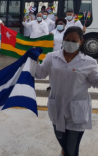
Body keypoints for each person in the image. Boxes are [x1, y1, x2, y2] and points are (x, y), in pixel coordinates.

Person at [35, 26, 98, 156]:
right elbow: (39, 74)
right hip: (57, 108)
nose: (70, 43)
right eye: (67, 39)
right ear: (63, 39)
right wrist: (34, 61)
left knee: (72, 149)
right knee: (61, 139)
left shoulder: (89, 62)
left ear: (81, 42)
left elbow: (95, 82)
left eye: (74, 41)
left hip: (77, 112)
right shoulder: (51, 57)